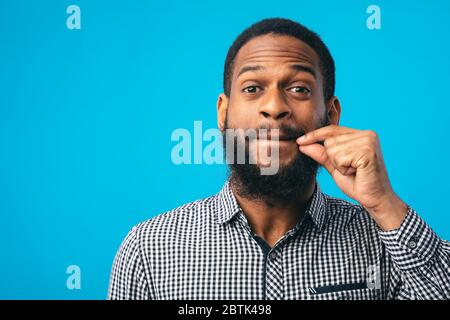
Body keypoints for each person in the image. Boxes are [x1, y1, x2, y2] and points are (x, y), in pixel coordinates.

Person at [108, 18, 450, 300]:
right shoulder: (148, 249)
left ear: (331, 116)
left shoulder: (386, 244)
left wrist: (384, 204)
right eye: (253, 88)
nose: (274, 107)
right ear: (223, 113)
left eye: (299, 89)